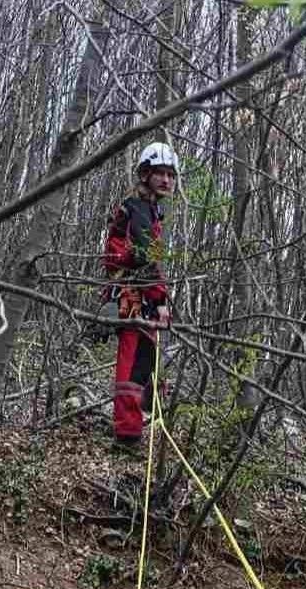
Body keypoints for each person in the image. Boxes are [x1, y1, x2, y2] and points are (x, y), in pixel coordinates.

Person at [102, 141, 177, 450]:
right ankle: (127, 437)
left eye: (170, 175)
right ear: (145, 174)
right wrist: (160, 300)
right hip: (133, 296)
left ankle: (138, 426)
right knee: (133, 368)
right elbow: (146, 258)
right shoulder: (139, 208)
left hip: (139, 293)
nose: (166, 180)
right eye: (159, 173)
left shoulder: (151, 210)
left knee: (146, 362)